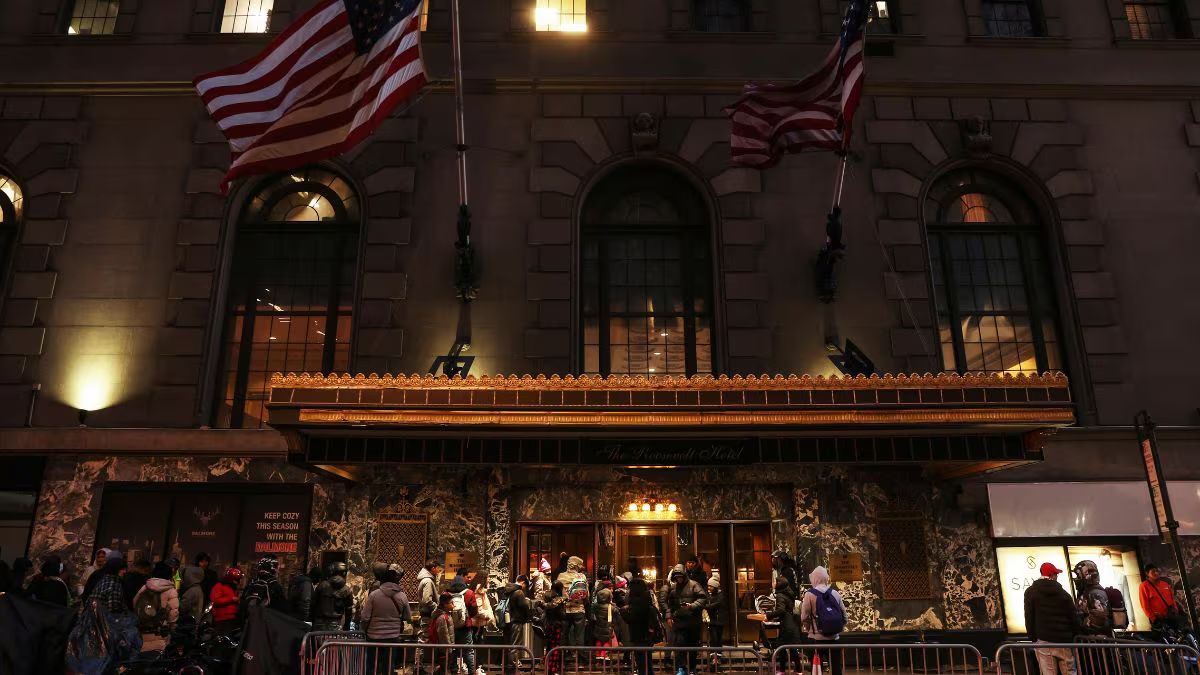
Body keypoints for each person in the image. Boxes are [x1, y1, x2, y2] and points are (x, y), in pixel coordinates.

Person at [1024, 561, 1079, 675]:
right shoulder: (1064, 594)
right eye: (1056, 574)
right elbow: (1073, 617)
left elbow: (1029, 616)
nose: (1057, 576)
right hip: (1064, 641)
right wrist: (1074, 634)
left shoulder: (1031, 592)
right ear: (1052, 575)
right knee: (1070, 672)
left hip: (1043, 641)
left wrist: (1032, 637)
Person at [362, 565, 412, 673]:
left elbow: (365, 617)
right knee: (388, 665)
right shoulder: (402, 596)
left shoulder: (374, 595)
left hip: (374, 635)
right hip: (392, 636)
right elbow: (408, 617)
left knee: (372, 665)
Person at [801, 567, 846, 675]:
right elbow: (844, 616)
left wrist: (808, 629)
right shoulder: (835, 593)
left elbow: (804, 617)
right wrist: (836, 627)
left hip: (816, 639)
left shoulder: (809, 594)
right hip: (834, 639)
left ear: (814, 578)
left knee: (817, 669)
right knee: (836, 668)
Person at [666, 564, 708, 675]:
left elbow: (703, 598)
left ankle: (692, 668)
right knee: (679, 647)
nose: (679, 579)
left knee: (693, 646)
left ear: (684, 575)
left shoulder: (694, 584)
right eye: (677, 577)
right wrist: (669, 616)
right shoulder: (674, 588)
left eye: (680, 577)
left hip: (693, 621)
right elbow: (670, 604)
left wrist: (692, 606)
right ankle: (682, 668)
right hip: (679, 621)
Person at [134, 561, 180, 652]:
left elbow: (135, 602)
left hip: (142, 629)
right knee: (157, 654)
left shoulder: (145, 586)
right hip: (160, 632)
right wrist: (171, 626)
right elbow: (173, 613)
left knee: (143, 653)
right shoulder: (171, 591)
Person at [622, 575, 661, 675]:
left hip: (638, 636)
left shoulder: (636, 603)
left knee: (642, 663)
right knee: (647, 662)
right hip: (648, 635)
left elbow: (632, 619)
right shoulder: (647, 599)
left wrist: (623, 612)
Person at [1140, 563, 1188, 631]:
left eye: (1157, 571)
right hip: (1159, 619)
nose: (1156, 573)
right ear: (1147, 574)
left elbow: (1172, 598)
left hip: (1171, 615)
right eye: (1153, 571)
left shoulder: (1164, 584)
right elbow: (1144, 605)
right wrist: (1153, 618)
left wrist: (1175, 609)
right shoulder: (1144, 586)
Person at [1072, 560, 1113, 636]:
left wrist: (1084, 625)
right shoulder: (1087, 591)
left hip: (1096, 638)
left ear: (1088, 576)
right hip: (1091, 637)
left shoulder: (1095, 593)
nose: (1077, 578)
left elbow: (1100, 620)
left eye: (1079, 575)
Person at [556, 555, 589, 649]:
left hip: (565, 609)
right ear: (578, 566)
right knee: (579, 635)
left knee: (564, 634)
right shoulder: (581, 576)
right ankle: (580, 656)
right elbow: (587, 594)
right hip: (579, 609)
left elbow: (557, 592)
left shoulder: (561, 576)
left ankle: (563, 655)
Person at [312, 561, 354, 631]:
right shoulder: (346, 589)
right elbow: (348, 611)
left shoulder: (322, 585)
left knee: (318, 638)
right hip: (336, 623)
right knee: (333, 638)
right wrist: (347, 626)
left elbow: (313, 604)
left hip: (319, 622)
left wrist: (312, 620)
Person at [503, 576, 533, 672]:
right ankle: (513, 665)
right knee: (515, 644)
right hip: (516, 621)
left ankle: (508, 664)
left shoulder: (509, 590)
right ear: (523, 582)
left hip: (508, 620)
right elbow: (524, 606)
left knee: (509, 643)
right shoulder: (519, 592)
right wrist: (529, 616)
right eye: (525, 585)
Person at [538, 581, 567, 675]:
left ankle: (547, 668)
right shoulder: (558, 600)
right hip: (556, 625)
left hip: (548, 625)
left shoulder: (545, 595)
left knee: (549, 647)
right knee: (555, 648)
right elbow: (561, 614)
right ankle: (552, 669)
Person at [592, 587, 623, 658]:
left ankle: (598, 654)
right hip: (608, 627)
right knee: (607, 641)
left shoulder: (595, 606)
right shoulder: (612, 607)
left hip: (597, 626)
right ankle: (604, 654)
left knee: (599, 640)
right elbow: (617, 617)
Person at [430, 592, 457, 674]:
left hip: (447, 648)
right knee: (443, 669)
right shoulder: (442, 617)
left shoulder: (447, 615)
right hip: (444, 650)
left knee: (444, 668)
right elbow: (443, 636)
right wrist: (448, 649)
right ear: (445, 604)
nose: (454, 605)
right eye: (451, 603)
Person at [211, 567, 242, 634]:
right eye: (236, 579)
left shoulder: (233, 587)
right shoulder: (219, 586)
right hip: (221, 619)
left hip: (232, 618)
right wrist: (231, 599)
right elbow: (215, 600)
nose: (237, 581)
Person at [706, 572, 726, 649]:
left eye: (711, 586)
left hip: (719, 620)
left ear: (715, 587)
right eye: (708, 586)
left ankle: (718, 652)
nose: (709, 588)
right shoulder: (710, 595)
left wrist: (707, 606)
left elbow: (717, 604)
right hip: (712, 619)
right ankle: (713, 652)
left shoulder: (720, 595)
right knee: (713, 637)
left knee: (718, 637)